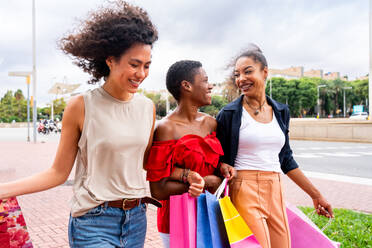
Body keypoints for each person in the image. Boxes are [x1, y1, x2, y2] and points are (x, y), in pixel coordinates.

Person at [0, 1, 161, 247]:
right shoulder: (81, 105)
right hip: (94, 222)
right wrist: (4, 189)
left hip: (137, 220)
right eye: (134, 64)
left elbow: (147, 162)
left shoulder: (146, 108)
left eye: (147, 66)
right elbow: (57, 173)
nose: (141, 73)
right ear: (110, 60)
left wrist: (190, 174)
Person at [216, 44, 334, 248]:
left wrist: (316, 195)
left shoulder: (281, 111)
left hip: (275, 188)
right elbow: (218, 158)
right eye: (237, 74)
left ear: (265, 72)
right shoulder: (229, 114)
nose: (241, 78)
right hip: (243, 188)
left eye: (248, 71)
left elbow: (286, 159)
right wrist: (221, 166)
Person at [145, 60, 235, 248]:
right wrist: (203, 182)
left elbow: (212, 162)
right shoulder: (166, 128)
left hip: (211, 213)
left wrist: (222, 167)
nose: (210, 85)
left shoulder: (212, 123)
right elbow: (158, 190)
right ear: (187, 86)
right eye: (205, 80)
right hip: (176, 219)